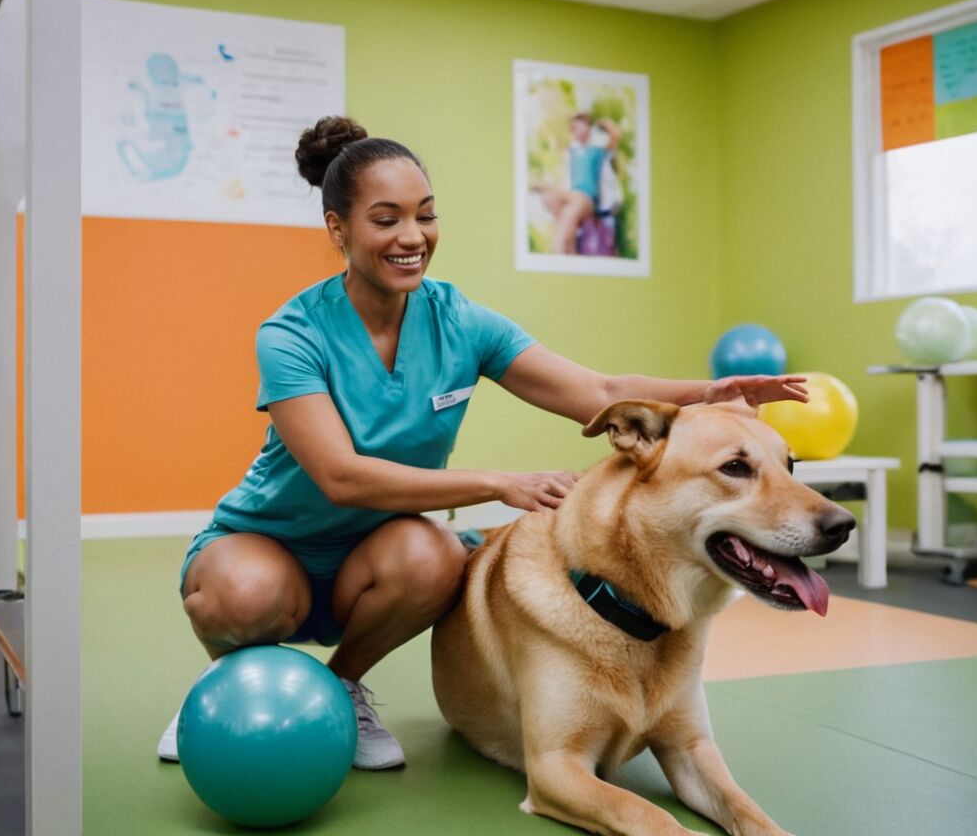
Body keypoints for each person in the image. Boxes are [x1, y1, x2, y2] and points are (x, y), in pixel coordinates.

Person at [157, 114, 807, 770]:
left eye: (426, 215)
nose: (412, 237)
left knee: (436, 557)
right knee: (241, 593)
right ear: (338, 229)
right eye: (386, 220)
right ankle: (225, 694)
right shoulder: (291, 333)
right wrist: (500, 483)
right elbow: (341, 476)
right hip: (271, 541)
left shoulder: (458, 320)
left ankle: (340, 687)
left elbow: (597, 389)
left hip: (374, 554)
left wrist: (711, 391)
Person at [534, 112, 621, 254]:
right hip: (572, 196)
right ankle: (569, 249)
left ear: (588, 129)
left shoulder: (597, 151)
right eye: (574, 128)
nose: (577, 130)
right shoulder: (571, 152)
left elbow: (615, 136)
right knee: (551, 199)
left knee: (570, 211)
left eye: (581, 126)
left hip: (587, 199)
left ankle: (558, 248)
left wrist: (604, 123)